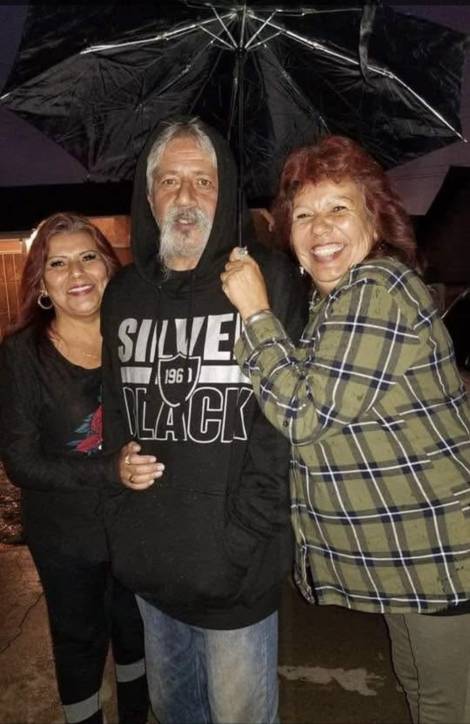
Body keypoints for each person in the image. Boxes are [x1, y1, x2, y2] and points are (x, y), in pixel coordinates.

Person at [221, 135, 470, 724]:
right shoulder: (331, 307)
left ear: (374, 219)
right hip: (408, 552)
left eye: (339, 207)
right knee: (416, 684)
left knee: (443, 703)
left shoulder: (377, 287)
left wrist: (255, 312)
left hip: (440, 548)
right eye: (303, 214)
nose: (320, 227)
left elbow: (306, 414)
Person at [100, 116, 305, 724]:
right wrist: (121, 500)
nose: (186, 197)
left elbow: (281, 430)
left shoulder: (266, 279)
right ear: (149, 194)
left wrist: (241, 540)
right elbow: (116, 410)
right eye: (170, 180)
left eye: (204, 181)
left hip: (235, 575)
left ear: (227, 191)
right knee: (173, 711)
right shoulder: (124, 294)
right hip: (151, 568)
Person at [0, 213, 157, 724]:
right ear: (41, 284)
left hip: (135, 524)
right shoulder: (22, 354)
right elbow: (21, 462)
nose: (76, 273)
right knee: (80, 642)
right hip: (66, 536)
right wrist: (108, 470)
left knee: (136, 632)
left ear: (109, 266)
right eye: (58, 263)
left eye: (88, 257)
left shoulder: (137, 339)